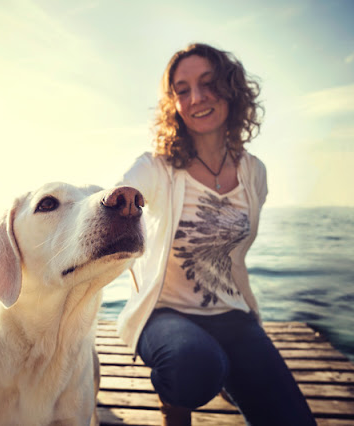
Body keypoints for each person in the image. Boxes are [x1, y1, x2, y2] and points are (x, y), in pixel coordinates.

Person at [116, 43, 317, 426]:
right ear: (174, 103)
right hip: (164, 315)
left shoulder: (254, 173)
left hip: (233, 315)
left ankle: (222, 370)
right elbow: (127, 191)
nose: (197, 98)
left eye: (208, 84)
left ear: (231, 89)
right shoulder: (157, 168)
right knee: (194, 366)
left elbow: (235, 255)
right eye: (183, 89)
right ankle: (177, 397)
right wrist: (120, 199)